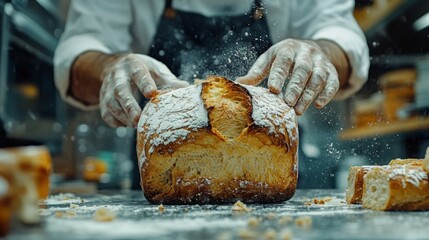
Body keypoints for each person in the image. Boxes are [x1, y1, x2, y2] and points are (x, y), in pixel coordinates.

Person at [54, 0, 369, 188]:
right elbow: (81, 46)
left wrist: (318, 52)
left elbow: (339, 34)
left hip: (272, 154)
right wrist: (110, 66)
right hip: (164, 160)